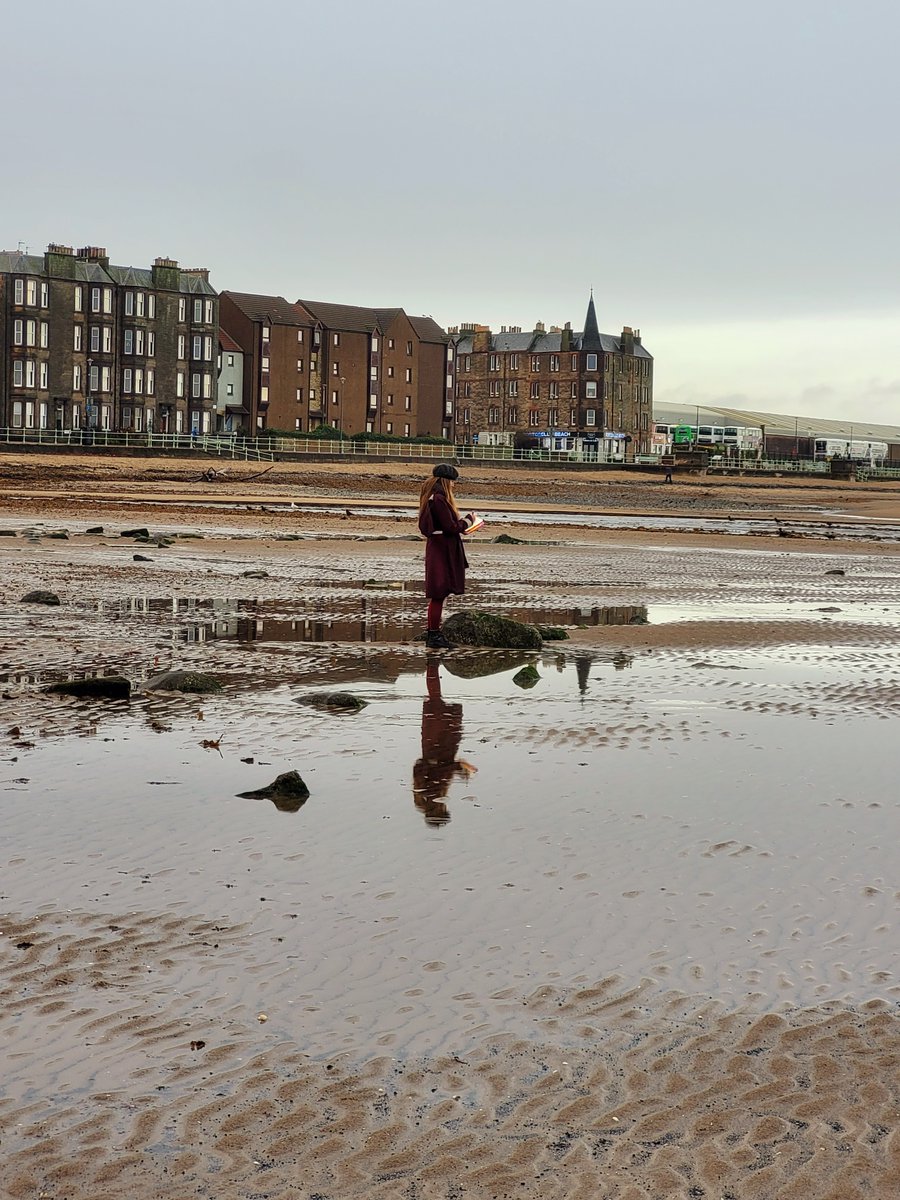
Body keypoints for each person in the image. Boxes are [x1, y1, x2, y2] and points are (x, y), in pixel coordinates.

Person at [412, 659, 476, 825]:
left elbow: (428, 767)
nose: (444, 808)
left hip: (437, 742)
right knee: (435, 700)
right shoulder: (426, 793)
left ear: (436, 811)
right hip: (439, 744)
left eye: (443, 811)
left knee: (435, 700)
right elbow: (432, 769)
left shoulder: (430, 793)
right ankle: (432, 665)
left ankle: (432, 664)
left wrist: (456, 767)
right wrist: (457, 769)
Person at [418, 463, 473, 650]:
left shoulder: (432, 497)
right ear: (446, 481)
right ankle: (433, 636)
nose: (454, 485)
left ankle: (433, 634)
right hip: (442, 549)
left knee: (438, 593)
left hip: (439, 547)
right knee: (438, 594)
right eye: (453, 482)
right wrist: (468, 521)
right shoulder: (439, 500)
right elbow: (450, 527)